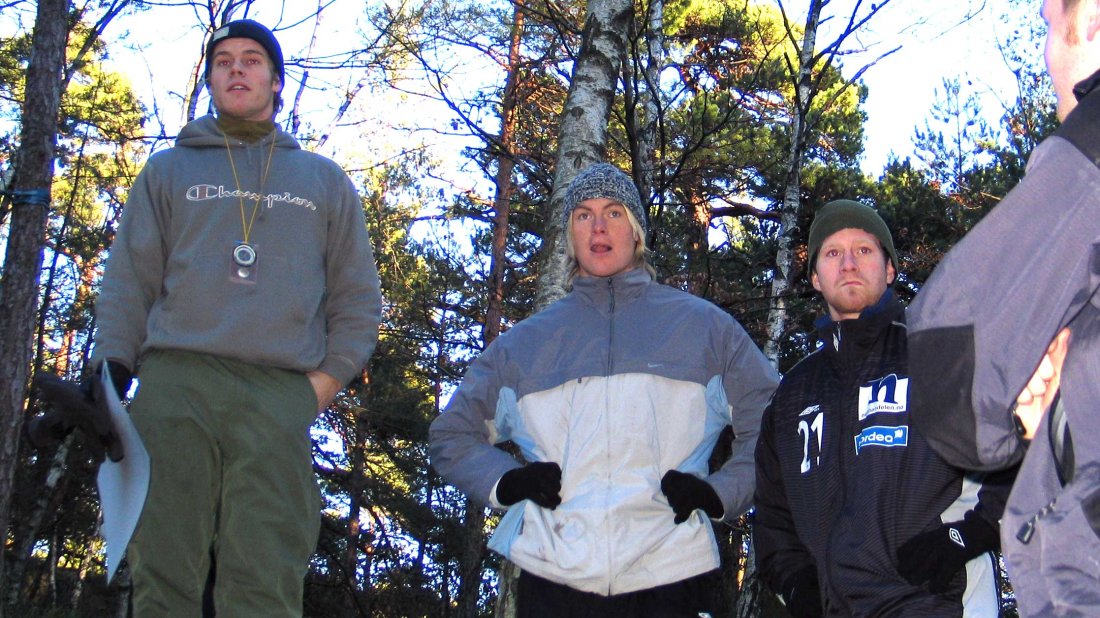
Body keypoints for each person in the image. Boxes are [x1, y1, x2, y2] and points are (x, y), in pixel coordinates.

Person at [28, 19, 382, 617]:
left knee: (266, 575)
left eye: (251, 59)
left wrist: (312, 394)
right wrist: (113, 370)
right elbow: (128, 282)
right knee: (163, 568)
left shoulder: (324, 182)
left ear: (276, 80)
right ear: (211, 78)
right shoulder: (169, 170)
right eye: (223, 61)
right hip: (175, 384)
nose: (236, 69)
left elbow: (358, 303)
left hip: (277, 392)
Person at [428, 162, 778, 617]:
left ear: (636, 231)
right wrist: (507, 481)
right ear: (570, 235)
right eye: (583, 215)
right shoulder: (522, 346)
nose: (598, 226)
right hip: (554, 579)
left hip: (671, 574)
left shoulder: (706, 329)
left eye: (613, 213)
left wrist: (717, 493)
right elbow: (450, 436)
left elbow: (776, 426)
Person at [906, 0, 1100, 613]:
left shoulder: (1089, 151)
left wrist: (1023, 411)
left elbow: (952, 373)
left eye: (1048, 23)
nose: (1045, 44)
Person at [753, 200, 1014, 617]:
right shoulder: (791, 397)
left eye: (864, 250)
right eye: (833, 253)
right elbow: (772, 516)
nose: (849, 264)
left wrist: (972, 533)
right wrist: (798, 584)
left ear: (890, 269)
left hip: (938, 603)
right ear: (816, 278)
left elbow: (1026, 446)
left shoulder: (940, 353)